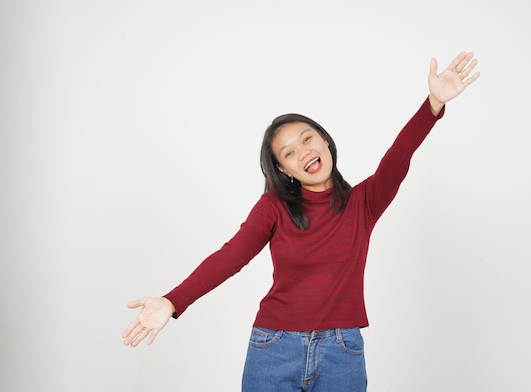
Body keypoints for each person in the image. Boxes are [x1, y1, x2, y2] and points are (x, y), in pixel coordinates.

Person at [122, 51, 480, 391]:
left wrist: (432, 105)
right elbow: (231, 257)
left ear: (324, 139)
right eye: (289, 152)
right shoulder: (273, 207)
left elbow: (398, 156)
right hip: (274, 347)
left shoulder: (364, 202)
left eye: (307, 139)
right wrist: (172, 302)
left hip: (343, 351)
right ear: (283, 169)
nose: (303, 152)